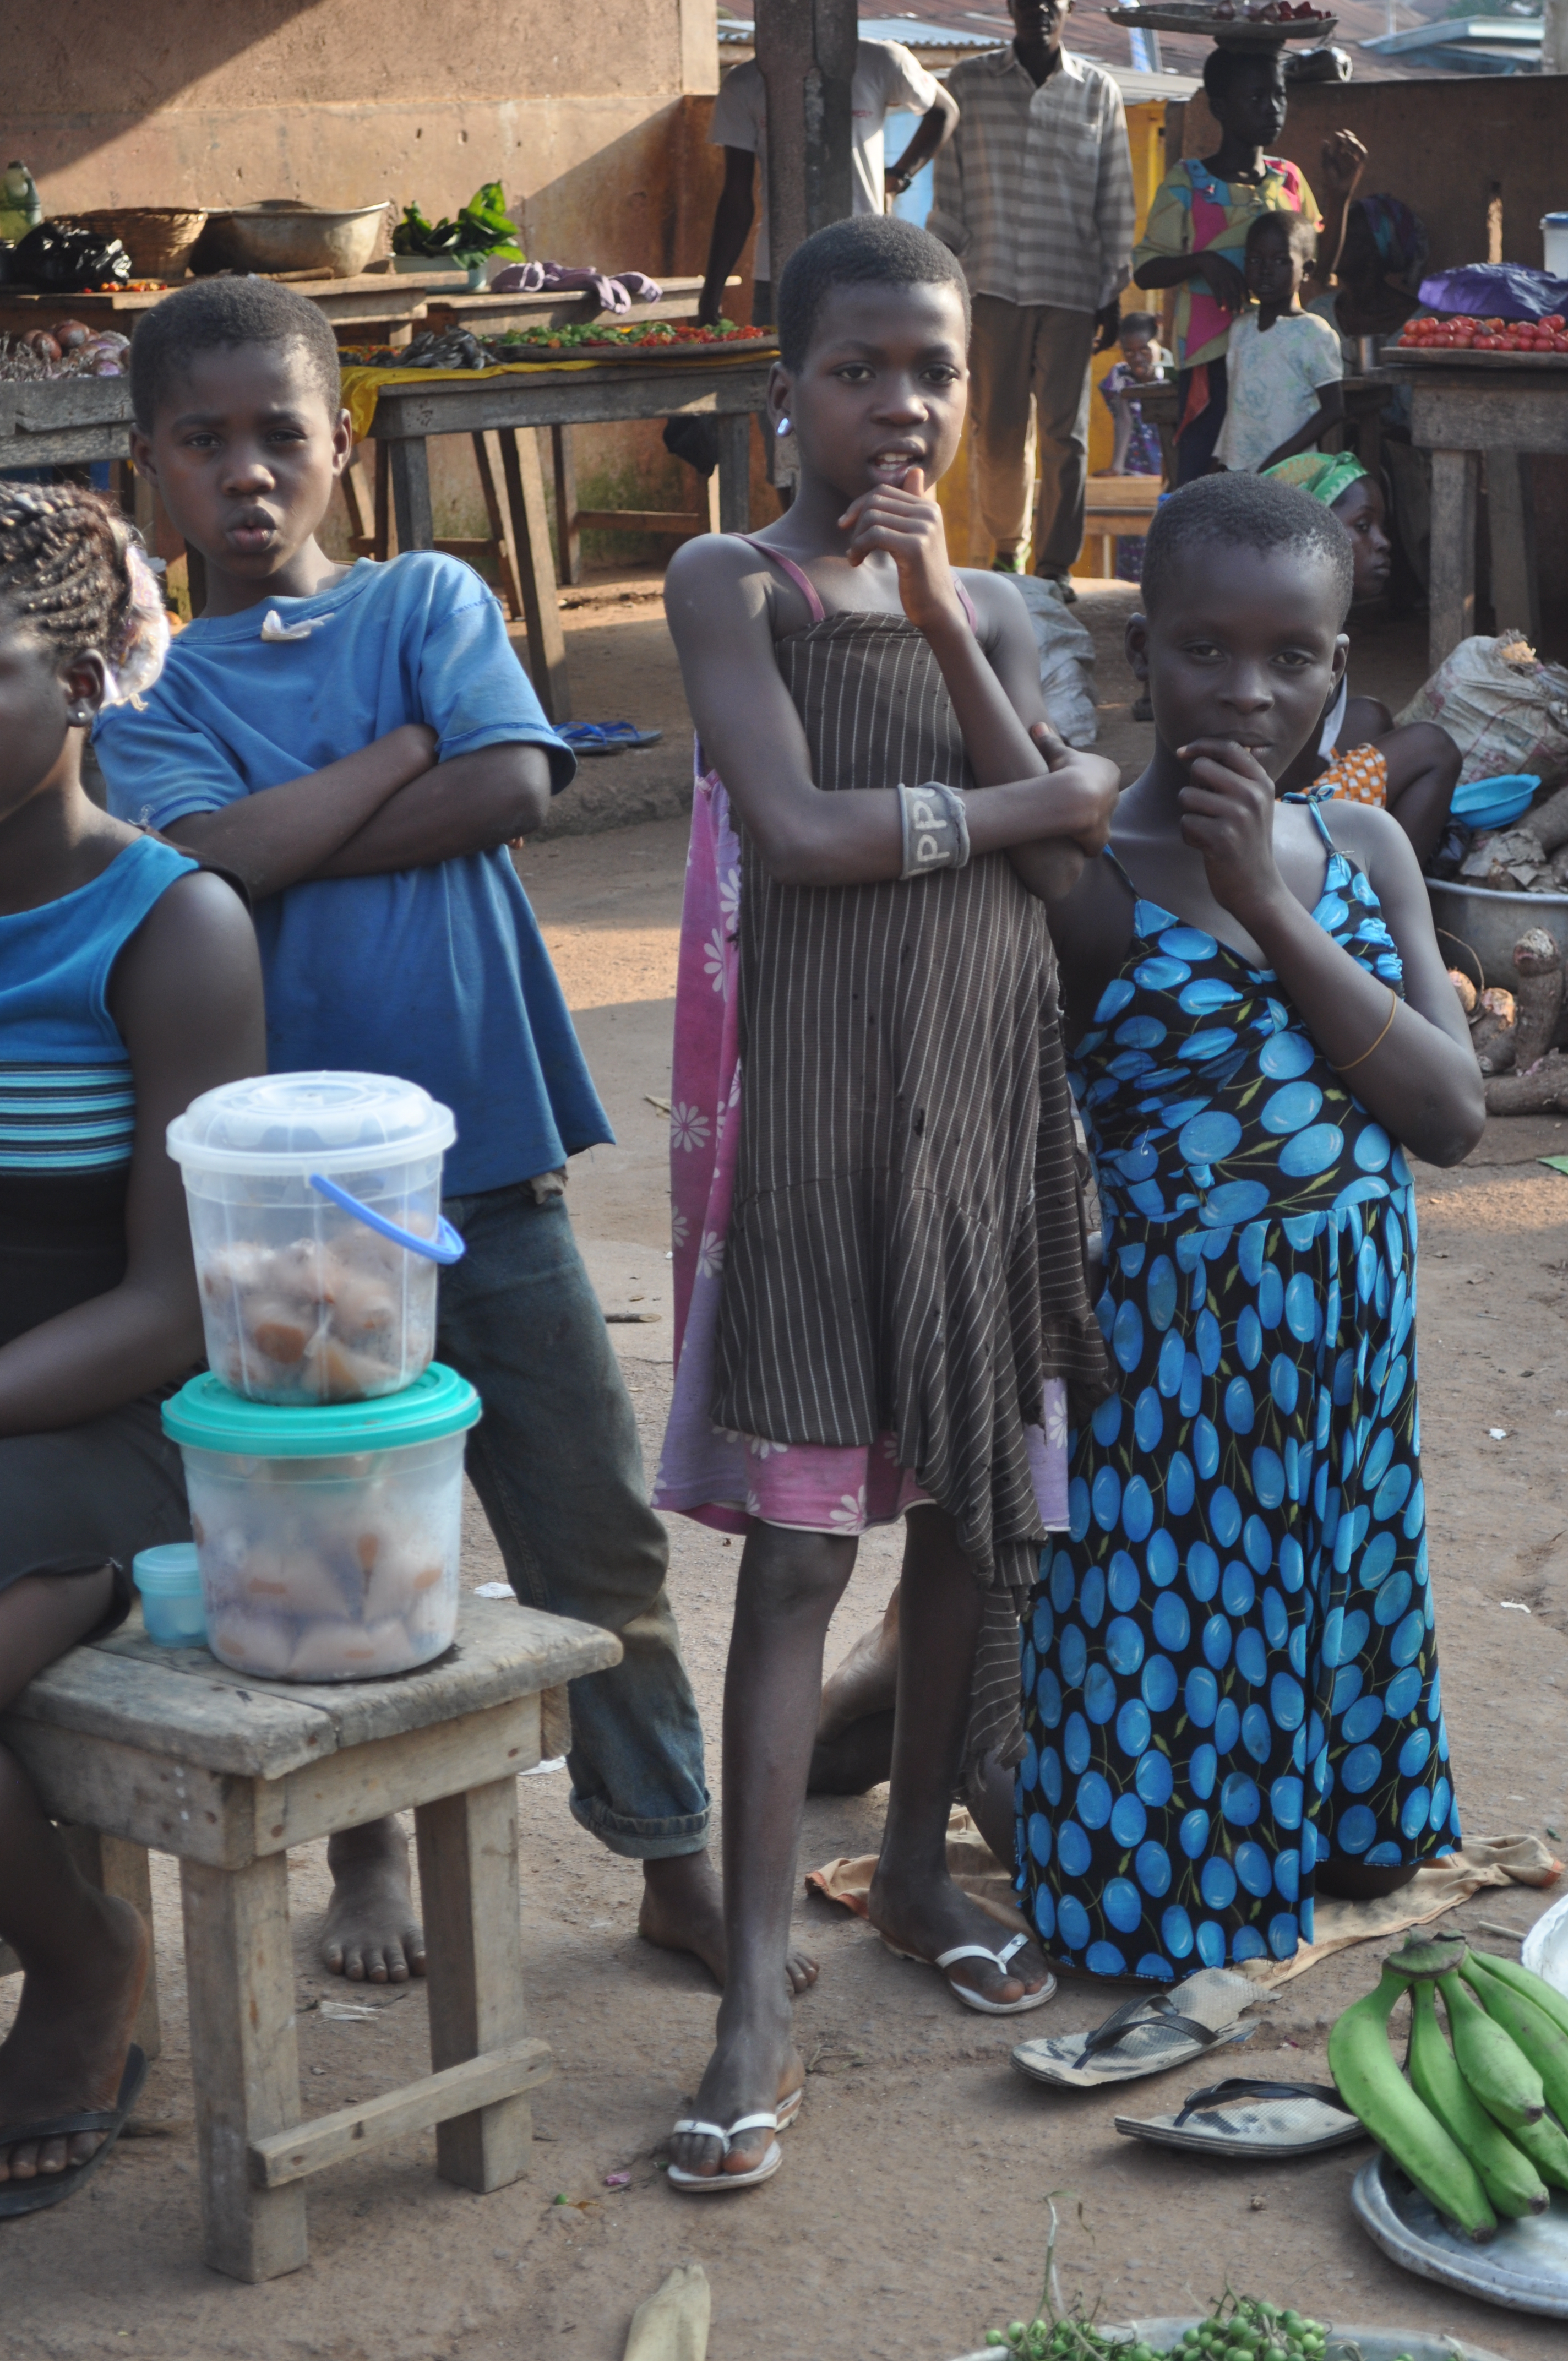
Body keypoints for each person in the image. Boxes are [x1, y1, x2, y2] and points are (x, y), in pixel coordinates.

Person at [93, 277, 768, 2000]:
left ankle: (666, 1852)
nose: (247, 473)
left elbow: (516, 788)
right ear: (143, 465)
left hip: (487, 1169)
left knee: (587, 1523)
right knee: (328, 1541)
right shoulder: (147, 707)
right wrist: (408, 750)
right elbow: (218, 861)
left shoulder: (426, 595)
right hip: (283, 1214)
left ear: (342, 447)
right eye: (203, 441)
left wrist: (338, 801)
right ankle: (366, 1838)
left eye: (282, 435)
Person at [654, 214, 1119, 2188]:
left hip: (979, 1119)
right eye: (858, 370)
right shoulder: (725, 584)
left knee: (961, 1525)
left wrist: (944, 623)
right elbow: (802, 830)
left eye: (927, 372)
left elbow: (1062, 882)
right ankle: (752, 1990)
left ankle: (914, 1859)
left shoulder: (996, 609)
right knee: (790, 1559)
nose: (899, 407)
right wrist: (1018, 806)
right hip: (815, 1129)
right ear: (787, 392)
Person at [1017, 473, 1483, 1981]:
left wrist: (1271, 910)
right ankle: (1155, 1866)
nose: (1248, 692)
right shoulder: (1087, 880)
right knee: (1173, 1620)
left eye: (1295, 658)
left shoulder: (1361, 857)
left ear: (1343, 668)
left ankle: (1337, 1822)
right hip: (1173, 1365)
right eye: (1205, 650)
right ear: (1142, 654)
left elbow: (1448, 1113)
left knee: (1340, 1578)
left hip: (1345, 1347)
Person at [0, 486, 267, 2206]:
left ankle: (84, 1959)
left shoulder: (172, 926)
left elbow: (180, 1303)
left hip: (112, 1409)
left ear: (89, 678)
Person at [928, 0, 1136, 592]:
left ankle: (1054, 567)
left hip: (1070, 288)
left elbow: (1115, 198)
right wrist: (947, 283)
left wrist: (1110, 290)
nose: (1039, 11)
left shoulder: (1098, 90)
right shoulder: (968, 83)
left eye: (1051, 2)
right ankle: (1005, 551)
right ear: (1011, 7)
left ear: (1066, 8)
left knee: (1064, 437)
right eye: (1027, 1)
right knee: (995, 433)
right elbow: (950, 192)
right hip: (988, 283)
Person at [1133, 48, 1363, 483]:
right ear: (1220, 107)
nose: (1272, 108)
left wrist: (1340, 197)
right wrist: (1202, 261)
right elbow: (1146, 270)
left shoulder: (1289, 179)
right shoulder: (1188, 182)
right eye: (1256, 98)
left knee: (1271, 480)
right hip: (1208, 361)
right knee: (1203, 481)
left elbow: (1321, 268)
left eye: (1279, 96)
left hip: (1279, 361)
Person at [1268, 452, 1458, 867]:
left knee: (1371, 716)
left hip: (1278, 790)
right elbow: (1291, 773)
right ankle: (1380, 902)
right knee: (1434, 747)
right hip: (1278, 821)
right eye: (1362, 526)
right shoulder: (1302, 633)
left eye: (1380, 528)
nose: (1383, 542)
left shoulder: (1283, 612)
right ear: (1312, 536)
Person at [698, 39, 958, 330]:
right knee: (782, 368)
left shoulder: (880, 60)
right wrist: (711, 295)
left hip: (866, 264)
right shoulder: (745, 83)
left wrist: (896, 178)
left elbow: (944, 112)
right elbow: (736, 198)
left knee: (861, 367)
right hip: (781, 273)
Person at [1213, 213, 1344, 475]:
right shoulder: (1241, 330)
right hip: (1240, 471)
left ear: (1306, 271)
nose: (1265, 270)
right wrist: (1220, 461)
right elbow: (1236, 407)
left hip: (1291, 473)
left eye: (1281, 261)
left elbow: (1334, 408)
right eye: (1255, 260)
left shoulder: (1313, 332)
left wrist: (1280, 459)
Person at [1098, 311, 1169, 584]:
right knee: (1132, 544)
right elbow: (1123, 419)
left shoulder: (1173, 372)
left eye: (1144, 350)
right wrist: (1117, 467)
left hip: (1165, 472)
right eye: (1129, 352)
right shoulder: (1120, 375)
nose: (1137, 358)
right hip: (1134, 471)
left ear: (1158, 344)